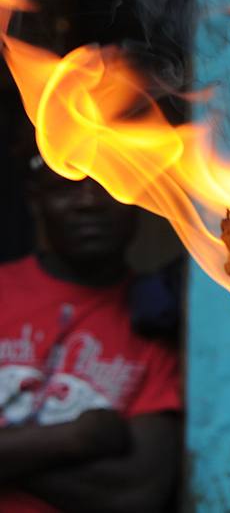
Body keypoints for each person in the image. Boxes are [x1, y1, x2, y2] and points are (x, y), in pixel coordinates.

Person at [0, 162, 182, 512]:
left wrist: (13, 454)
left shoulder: (155, 325)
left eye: (109, 185)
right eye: (65, 187)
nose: (89, 202)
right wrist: (78, 438)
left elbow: (134, 494)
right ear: (36, 201)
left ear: (138, 201)